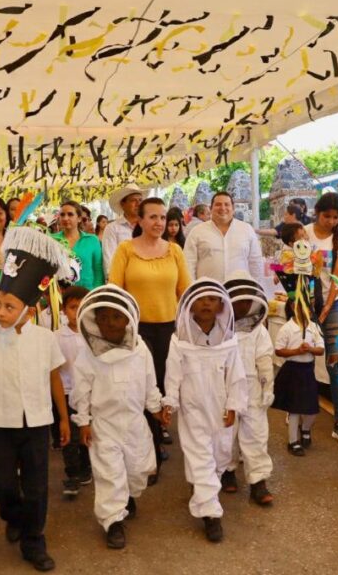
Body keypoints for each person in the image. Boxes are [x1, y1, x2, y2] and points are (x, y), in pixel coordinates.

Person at [0, 227, 71, 572]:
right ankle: (13, 513)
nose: (4, 311)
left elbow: (54, 378)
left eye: (10, 306)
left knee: (37, 487)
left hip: (37, 422)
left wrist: (63, 418)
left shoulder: (44, 338)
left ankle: (33, 542)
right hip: (1, 422)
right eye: (0, 305)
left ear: (28, 310)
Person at [70, 285, 163, 550]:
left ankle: (128, 496)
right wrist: (83, 421)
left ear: (128, 319)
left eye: (116, 316)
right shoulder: (88, 353)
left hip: (134, 422)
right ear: (94, 320)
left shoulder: (140, 349)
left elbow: (149, 383)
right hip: (104, 425)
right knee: (110, 474)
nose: (109, 323)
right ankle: (113, 521)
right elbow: (81, 390)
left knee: (136, 470)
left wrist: (156, 409)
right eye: (103, 317)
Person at [108, 197, 191, 477]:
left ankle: (156, 440)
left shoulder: (175, 251)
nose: (159, 223)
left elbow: (186, 292)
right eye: (152, 217)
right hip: (136, 332)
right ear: (140, 221)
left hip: (169, 330)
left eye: (162, 217)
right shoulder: (125, 250)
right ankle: (148, 454)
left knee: (163, 389)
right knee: (142, 391)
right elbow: (115, 292)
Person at [162, 278, 247, 543]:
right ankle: (211, 514)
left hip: (221, 410)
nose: (206, 303)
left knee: (220, 456)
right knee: (200, 456)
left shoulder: (229, 340)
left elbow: (236, 376)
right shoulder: (180, 340)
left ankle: (202, 487)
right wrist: (169, 403)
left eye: (212, 299)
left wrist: (234, 404)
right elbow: (173, 375)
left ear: (222, 304)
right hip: (192, 408)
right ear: (189, 305)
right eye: (200, 299)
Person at [221, 272, 275, 505]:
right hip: (226, 392)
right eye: (236, 301)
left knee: (256, 435)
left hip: (252, 390)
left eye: (246, 301)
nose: (242, 305)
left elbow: (264, 362)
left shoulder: (259, 332)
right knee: (226, 434)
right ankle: (227, 470)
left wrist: (268, 388)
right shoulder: (219, 331)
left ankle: (258, 480)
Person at [304, 192, 338, 445]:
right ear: (317, 213)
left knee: (336, 361)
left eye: (336, 217)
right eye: (327, 216)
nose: (331, 221)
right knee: (302, 359)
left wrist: (326, 307)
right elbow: (290, 266)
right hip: (304, 302)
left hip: (331, 304)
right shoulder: (303, 234)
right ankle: (298, 416)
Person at [273, 294, 324, 456]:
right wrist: (297, 351)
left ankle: (306, 429)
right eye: (298, 305)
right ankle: (292, 441)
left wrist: (309, 349)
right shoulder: (287, 328)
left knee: (312, 409)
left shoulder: (314, 327)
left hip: (307, 370)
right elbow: (279, 350)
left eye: (306, 306)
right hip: (293, 370)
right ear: (291, 307)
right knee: (294, 409)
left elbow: (321, 350)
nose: (302, 309)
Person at [55, 285, 93, 498]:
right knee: (68, 435)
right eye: (72, 307)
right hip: (67, 393)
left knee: (86, 433)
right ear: (63, 310)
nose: (77, 312)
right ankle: (72, 475)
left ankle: (86, 466)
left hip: (90, 395)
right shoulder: (57, 337)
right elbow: (56, 370)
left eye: (82, 307)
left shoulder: (94, 334)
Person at [184, 192, 265, 283]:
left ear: (233, 209)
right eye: (218, 204)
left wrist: (257, 291)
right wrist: (193, 290)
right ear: (211, 209)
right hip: (208, 293)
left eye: (227, 204)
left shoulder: (246, 230)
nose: (223, 208)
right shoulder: (197, 232)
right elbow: (188, 264)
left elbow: (255, 263)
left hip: (240, 292)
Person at [51, 200, 104, 289]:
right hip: (59, 295)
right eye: (62, 215)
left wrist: (95, 293)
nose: (65, 218)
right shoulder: (51, 240)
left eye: (70, 214)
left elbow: (98, 271)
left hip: (87, 294)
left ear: (79, 218)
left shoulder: (92, 240)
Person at [101, 186, 144, 273]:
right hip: (122, 280)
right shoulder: (112, 228)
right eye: (133, 200)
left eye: (140, 200)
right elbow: (109, 260)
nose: (138, 203)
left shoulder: (147, 226)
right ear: (122, 204)